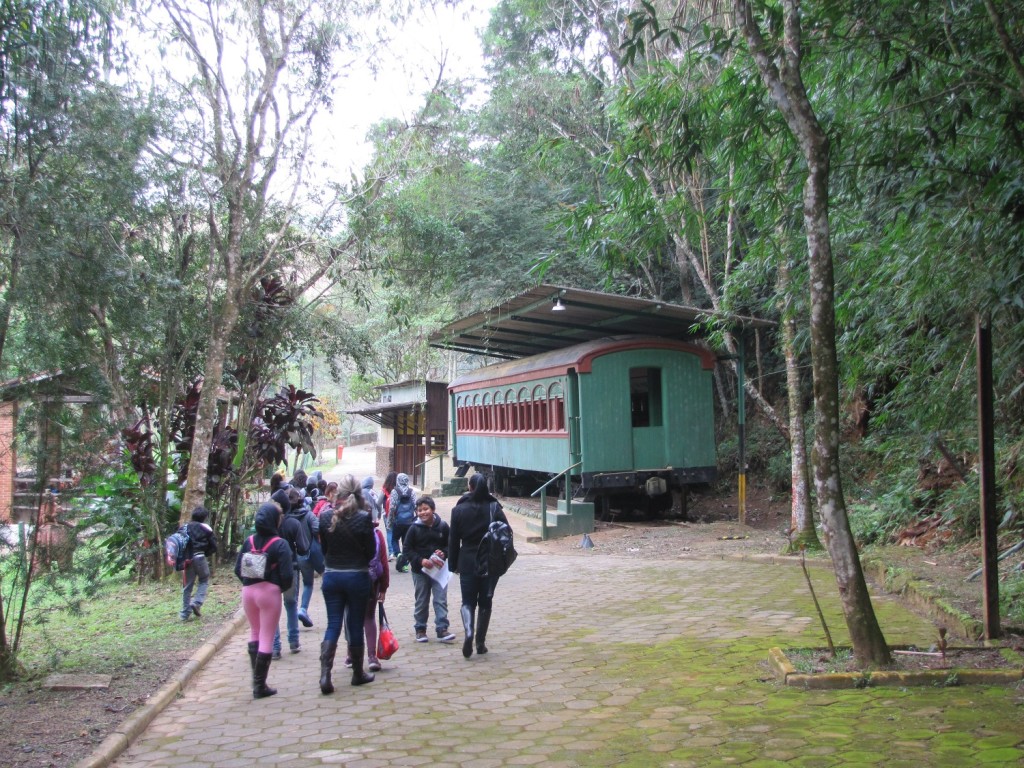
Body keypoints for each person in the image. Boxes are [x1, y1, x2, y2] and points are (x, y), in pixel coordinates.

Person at [317, 474, 377, 693]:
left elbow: (324, 550)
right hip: (356, 577)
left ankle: (325, 675)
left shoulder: (324, 517)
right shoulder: (363, 517)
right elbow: (371, 552)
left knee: (333, 624)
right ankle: (357, 673)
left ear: (338, 494)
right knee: (354, 624)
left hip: (332, 577)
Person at [235, 501, 294, 698]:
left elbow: (238, 569)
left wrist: (249, 581)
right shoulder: (280, 544)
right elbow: (287, 575)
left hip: (248, 592)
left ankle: (255, 680)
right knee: (267, 636)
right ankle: (260, 686)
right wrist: (277, 587)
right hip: (269, 593)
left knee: (255, 632)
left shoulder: (248, 541)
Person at [449, 473, 509, 659]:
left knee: (467, 601)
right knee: (485, 601)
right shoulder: (494, 507)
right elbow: (506, 532)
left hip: (466, 560)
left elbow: (453, 541)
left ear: (470, 487)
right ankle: (480, 642)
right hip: (489, 561)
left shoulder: (458, 510)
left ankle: (468, 631)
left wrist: (453, 564)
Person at [403, 495, 455, 643]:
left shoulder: (443, 526)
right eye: (419, 510)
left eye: (426, 509)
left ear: (433, 509)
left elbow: (450, 545)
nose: (422, 513)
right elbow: (407, 549)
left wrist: (443, 553)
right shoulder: (413, 528)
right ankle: (420, 629)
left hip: (439, 570)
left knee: (440, 599)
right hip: (420, 572)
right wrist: (420, 560)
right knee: (421, 600)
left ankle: (442, 628)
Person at [271, 487, 311, 658]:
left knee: (272, 608)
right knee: (291, 603)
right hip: (291, 569)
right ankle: (294, 641)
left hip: (271, 572)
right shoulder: (293, 524)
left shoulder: (268, 525)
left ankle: (274, 647)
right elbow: (303, 549)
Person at [180, 505, 218, 620]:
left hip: (187, 559)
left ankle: (185, 614)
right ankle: (196, 603)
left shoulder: (184, 528)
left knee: (187, 586)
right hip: (200, 557)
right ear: (205, 517)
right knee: (204, 580)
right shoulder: (206, 528)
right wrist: (206, 552)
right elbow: (214, 546)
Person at [387, 473, 417, 572]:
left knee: (394, 539)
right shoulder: (411, 491)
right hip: (409, 522)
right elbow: (416, 506)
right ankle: (404, 565)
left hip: (398, 521)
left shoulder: (395, 491)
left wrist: (389, 521)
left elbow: (392, 508)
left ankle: (398, 554)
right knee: (406, 543)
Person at [381, 471, 398, 559]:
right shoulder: (399, 489)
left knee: (389, 532)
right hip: (397, 513)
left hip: (387, 514)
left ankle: (391, 552)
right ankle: (397, 551)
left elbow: (378, 502)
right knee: (397, 532)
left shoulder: (385, 489)